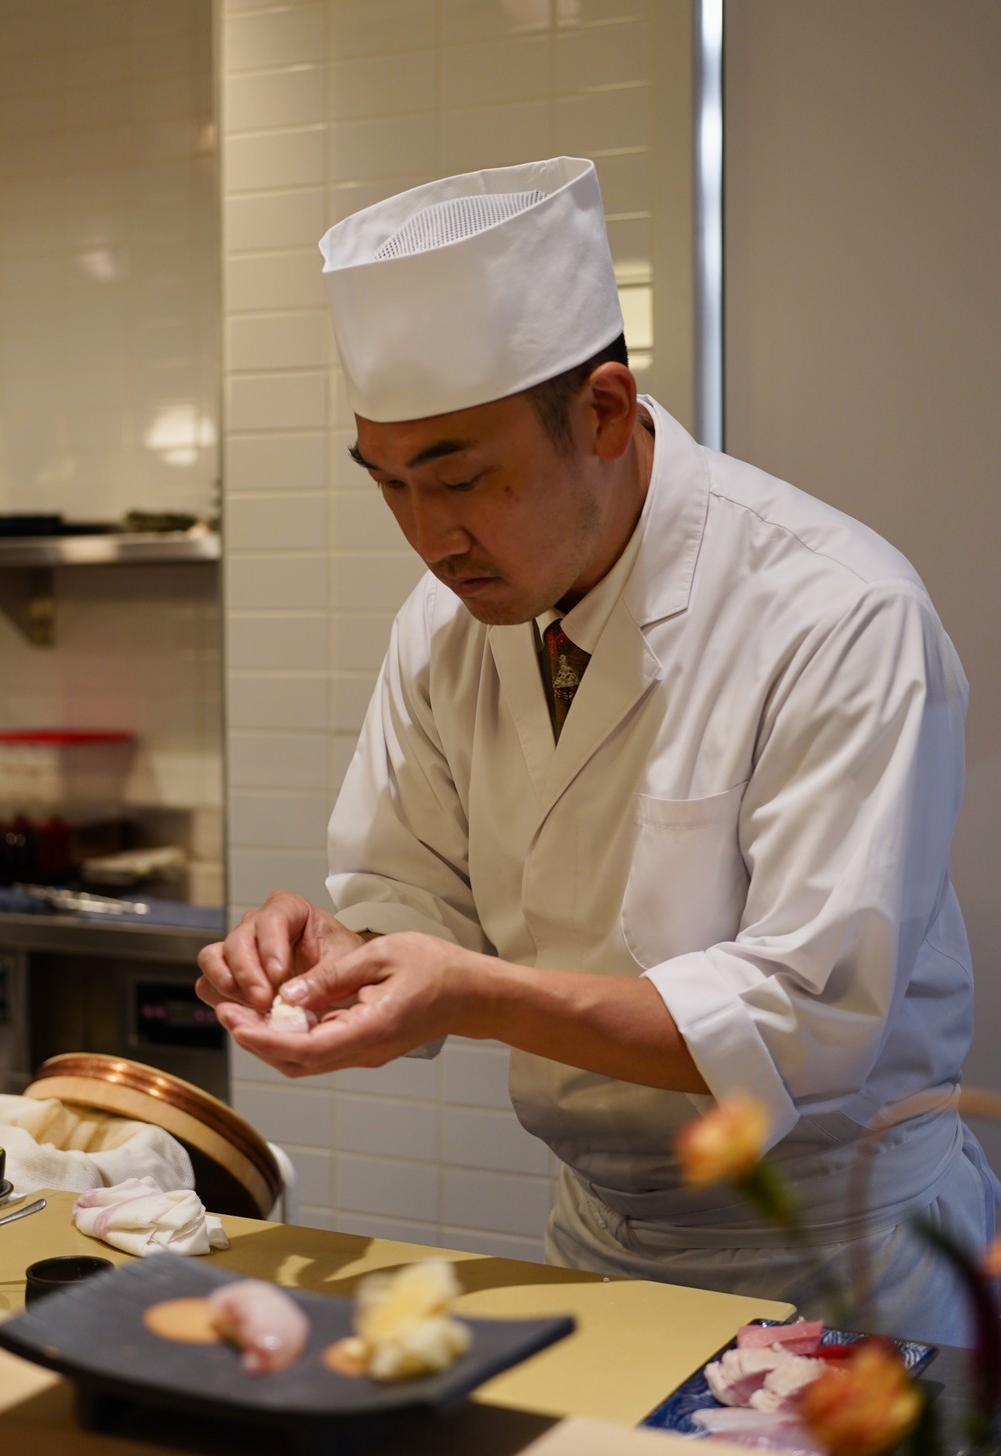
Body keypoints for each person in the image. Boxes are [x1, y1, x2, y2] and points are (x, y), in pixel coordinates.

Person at [197, 156, 998, 1344]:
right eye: (391, 487)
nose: (430, 537)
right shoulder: (449, 623)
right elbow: (419, 899)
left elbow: (804, 1020)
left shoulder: (837, 612)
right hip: (596, 1239)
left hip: (846, 1257)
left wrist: (471, 991)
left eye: (463, 479)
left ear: (607, 412)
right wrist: (337, 955)